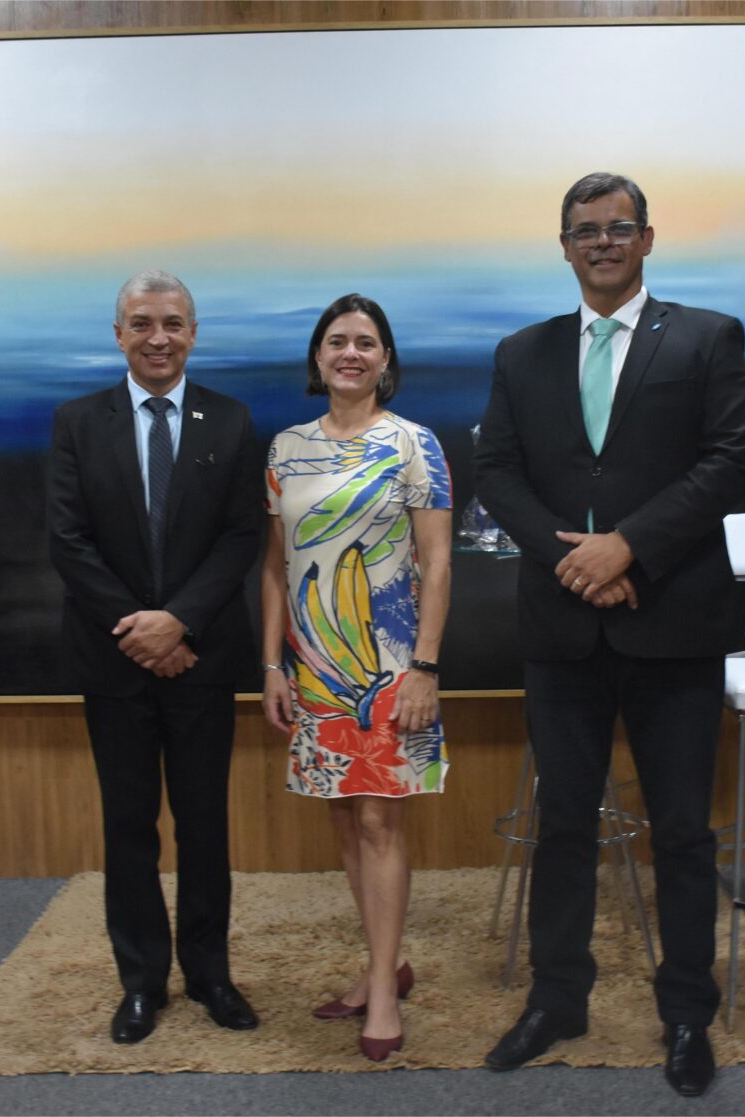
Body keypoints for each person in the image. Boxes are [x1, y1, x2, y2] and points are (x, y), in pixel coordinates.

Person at [473, 173, 745, 1097]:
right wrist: (576, 561)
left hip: (674, 620)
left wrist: (628, 545)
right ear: (564, 246)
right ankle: (559, 999)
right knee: (563, 825)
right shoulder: (522, 353)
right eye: (585, 230)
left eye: (619, 227)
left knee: (681, 831)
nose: (603, 241)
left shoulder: (707, 337)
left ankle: (687, 1013)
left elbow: (731, 459)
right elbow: (496, 469)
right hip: (563, 627)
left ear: (647, 239)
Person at [47, 269, 263, 1043]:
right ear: (119, 335)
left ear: (193, 333)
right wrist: (141, 632)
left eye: (172, 323)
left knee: (204, 823)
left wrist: (178, 624)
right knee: (129, 825)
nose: (158, 337)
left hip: (202, 657)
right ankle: (141, 981)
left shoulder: (231, 421)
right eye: (141, 323)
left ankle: (209, 974)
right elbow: (67, 540)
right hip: (114, 662)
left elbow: (242, 535)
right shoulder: (78, 421)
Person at [260, 293, 452, 1062]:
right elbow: (274, 567)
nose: (350, 352)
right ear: (318, 356)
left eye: (365, 342)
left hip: (391, 664)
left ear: (385, 359)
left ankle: (382, 994)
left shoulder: (414, 443)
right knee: (344, 818)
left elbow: (438, 561)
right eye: (337, 340)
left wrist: (426, 667)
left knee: (379, 822)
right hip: (314, 665)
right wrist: (271, 664)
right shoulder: (284, 448)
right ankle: (383, 966)